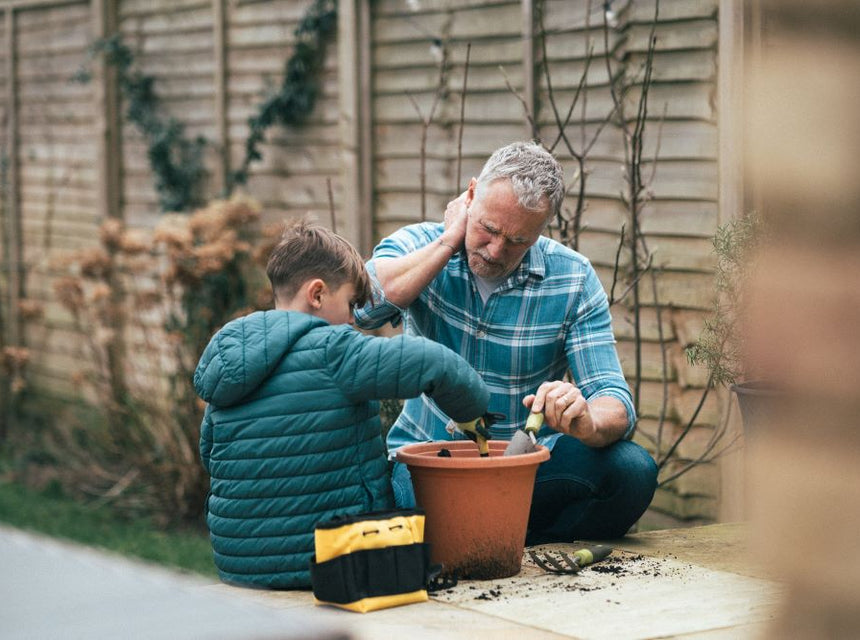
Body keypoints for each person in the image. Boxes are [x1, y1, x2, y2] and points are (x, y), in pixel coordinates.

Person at [355, 141, 658, 543]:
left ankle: (518, 546)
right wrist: (449, 242)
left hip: (524, 464)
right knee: (433, 533)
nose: (496, 250)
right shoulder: (422, 243)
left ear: (541, 231)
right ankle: (495, 539)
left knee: (632, 471)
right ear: (470, 196)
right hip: (430, 459)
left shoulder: (573, 279)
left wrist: (587, 420)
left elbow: (615, 400)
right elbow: (365, 308)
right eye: (489, 229)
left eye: (518, 241)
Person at [194, 220, 490, 589]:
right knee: (407, 473)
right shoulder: (334, 350)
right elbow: (433, 363)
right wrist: (473, 414)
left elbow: (210, 454)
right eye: (350, 304)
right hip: (336, 560)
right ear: (317, 294)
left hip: (240, 566)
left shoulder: (232, 360)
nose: (353, 320)